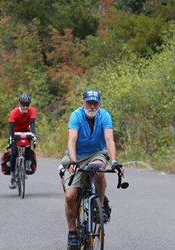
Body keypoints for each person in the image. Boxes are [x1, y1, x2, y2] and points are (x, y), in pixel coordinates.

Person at [61, 89, 123, 250]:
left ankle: (99, 207)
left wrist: (115, 161)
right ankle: (72, 233)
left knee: (100, 170)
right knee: (70, 196)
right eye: (89, 103)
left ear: (99, 105)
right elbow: (71, 141)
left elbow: (109, 140)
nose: (92, 106)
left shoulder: (104, 116)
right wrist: (73, 162)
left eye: (95, 103)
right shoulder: (76, 116)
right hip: (76, 156)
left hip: (96, 153)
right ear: (82, 103)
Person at [7, 94, 37, 189]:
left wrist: (33, 135)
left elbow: (32, 124)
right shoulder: (13, 113)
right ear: (20, 104)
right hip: (15, 132)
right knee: (14, 153)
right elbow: (11, 129)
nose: (25, 107)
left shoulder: (31, 110)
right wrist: (10, 142)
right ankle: (12, 177)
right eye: (23, 105)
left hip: (26, 130)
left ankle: (28, 165)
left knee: (28, 144)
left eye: (27, 105)